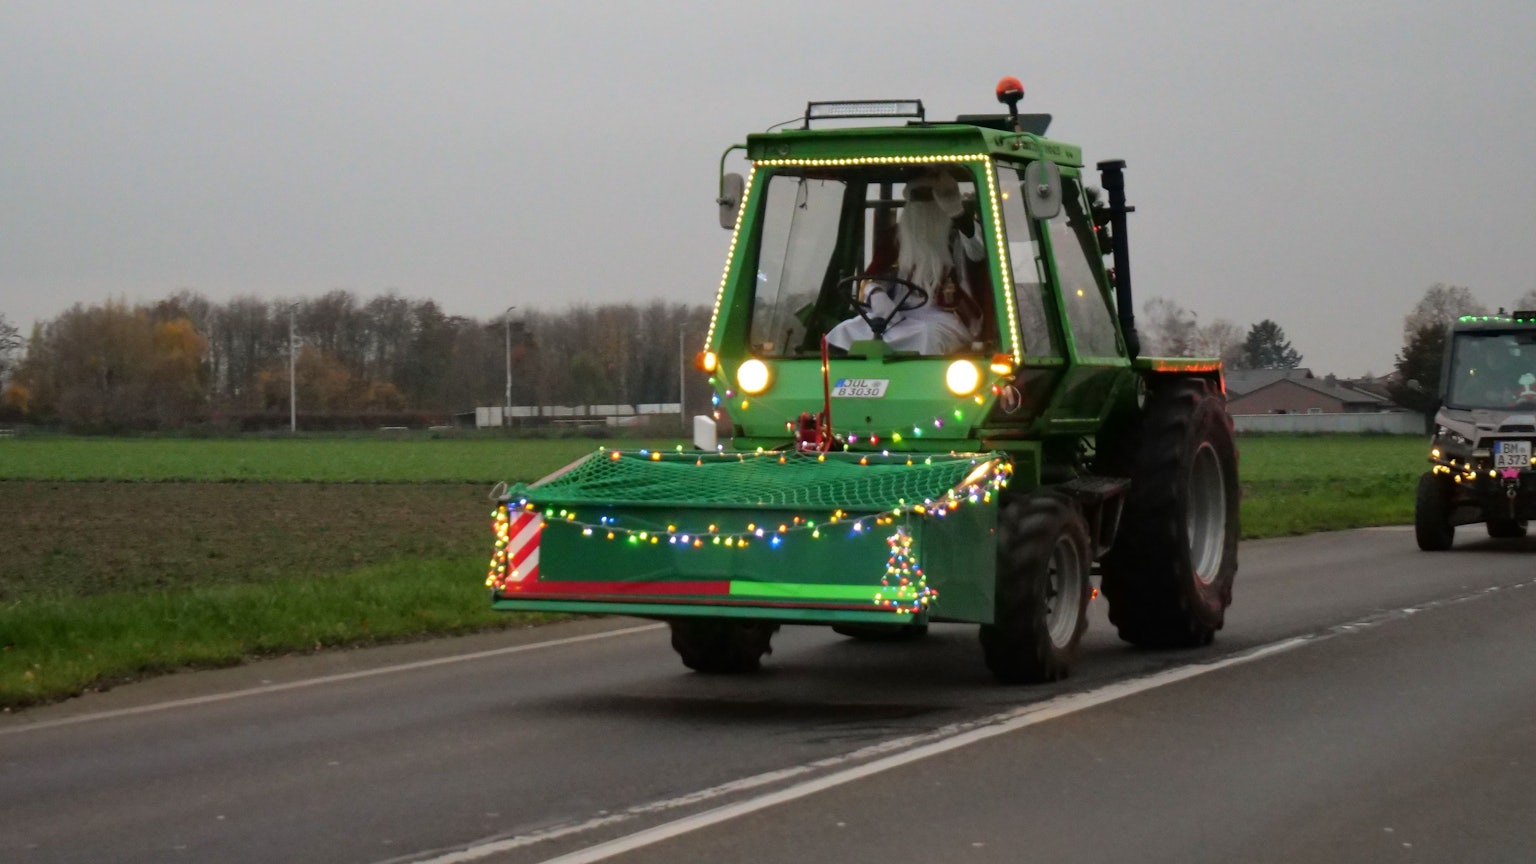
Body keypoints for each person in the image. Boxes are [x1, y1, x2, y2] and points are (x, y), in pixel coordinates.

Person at [826, 167, 985, 354]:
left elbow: (977, 252)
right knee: (844, 331)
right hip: (896, 316)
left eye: (930, 196)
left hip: (944, 318)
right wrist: (876, 293)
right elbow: (873, 277)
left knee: (925, 336)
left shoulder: (960, 233)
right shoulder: (896, 237)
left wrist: (957, 213)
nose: (923, 205)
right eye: (918, 197)